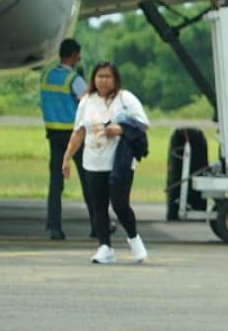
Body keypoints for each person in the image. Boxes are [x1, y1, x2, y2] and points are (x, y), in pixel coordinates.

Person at [62, 62, 151, 265]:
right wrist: (67, 158)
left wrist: (120, 129)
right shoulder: (86, 101)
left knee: (120, 204)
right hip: (93, 161)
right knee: (98, 206)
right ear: (93, 79)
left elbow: (143, 123)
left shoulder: (125, 98)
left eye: (107, 76)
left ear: (115, 79)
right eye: (99, 76)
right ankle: (104, 247)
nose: (103, 80)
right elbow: (78, 132)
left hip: (119, 162)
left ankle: (134, 239)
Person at [40, 38, 92, 240]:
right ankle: (98, 225)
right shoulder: (73, 79)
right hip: (74, 136)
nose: (79, 58)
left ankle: (54, 227)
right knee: (89, 181)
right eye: (78, 55)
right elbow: (87, 103)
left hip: (53, 135)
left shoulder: (47, 75)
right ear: (73, 55)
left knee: (55, 184)